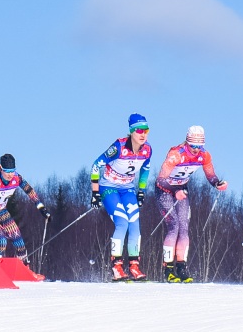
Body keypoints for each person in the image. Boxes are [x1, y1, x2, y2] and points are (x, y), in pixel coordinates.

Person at [154, 126, 228, 283]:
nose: (196, 149)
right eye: (193, 145)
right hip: (165, 190)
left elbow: (210, 175)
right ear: (187, 142)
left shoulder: (204, 155)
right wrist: (175, 191)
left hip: (182, 189)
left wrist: (217, 183)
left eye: (199, 146)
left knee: (184, 227)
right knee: (174, 226)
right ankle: (168, 269)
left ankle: (181, 267)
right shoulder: (176, 154)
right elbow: (160, 180)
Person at [91, 114, 154, 281]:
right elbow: (96, 165)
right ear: (132, 131)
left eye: (146, 130)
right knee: (122, 222)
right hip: (109, 188)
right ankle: (116, 266)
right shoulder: (118, 147)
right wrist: (95, 193)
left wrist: (141, 191)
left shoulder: (147, 150)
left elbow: (145, 170)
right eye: (139, 130)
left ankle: (134, 266)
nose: (143, 134)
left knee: (134, 223)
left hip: (127, 189)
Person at [0, 153, 50, 264]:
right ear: (1, 170)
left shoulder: (17, 178)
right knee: (1, 241)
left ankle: (24, 267)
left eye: (12, 171)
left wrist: (41, 208)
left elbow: (29, 191)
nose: (10, 175)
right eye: (7, 171)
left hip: (2, 211)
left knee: (19, 243)